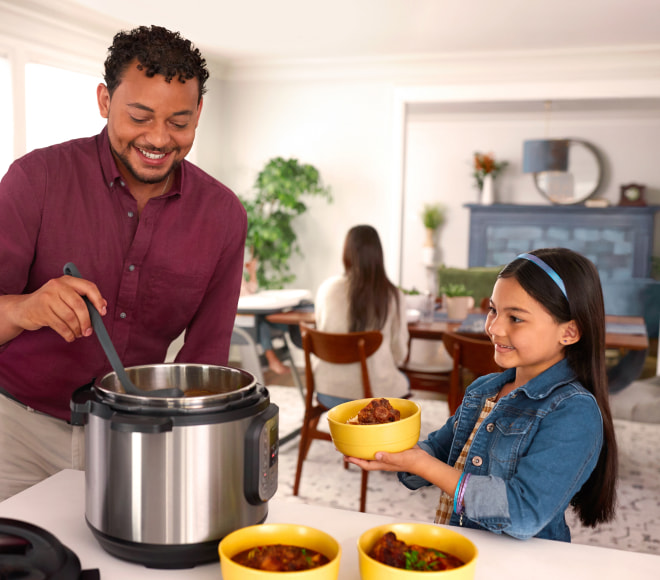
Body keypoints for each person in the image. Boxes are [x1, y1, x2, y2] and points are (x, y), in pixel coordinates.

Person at [0, 25, 247, 501]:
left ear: (198, 114)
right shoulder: (35, 180)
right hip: (16, 434)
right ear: (103, 101)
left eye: (179, 123)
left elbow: (206, 359)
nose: (158, 138)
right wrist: (22, 309)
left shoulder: (223, 216)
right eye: (139, 116)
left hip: (137, 440)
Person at [348, 248, 618, 541]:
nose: (494, 327)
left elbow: (522, 513)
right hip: (465, 550)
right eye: (493, 310)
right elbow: (439, 450)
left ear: (569, 332)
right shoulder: (484, 390)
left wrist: (419, 463)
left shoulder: (575, 412)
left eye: (515, 318)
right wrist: (393, 452)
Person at [313, 225, 409, 408]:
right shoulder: (392, 295)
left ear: (346, 252)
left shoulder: (327, 288)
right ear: (378, 255)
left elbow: (322, 331)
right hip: (373, 400)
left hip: (327, 391)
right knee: (402, 381)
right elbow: (400, 354)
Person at [240, 257, 290, 375]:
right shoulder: (227, 273)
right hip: (241, 319)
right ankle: (271, 358)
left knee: (268, 318)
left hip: (250, 314)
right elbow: (241, 297)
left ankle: (293, 330)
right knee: (261, 322)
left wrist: (252, 271)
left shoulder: (238, 274)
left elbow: (251, 290)